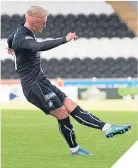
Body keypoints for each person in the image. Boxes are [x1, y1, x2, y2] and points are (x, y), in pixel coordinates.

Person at [7, 5, 131, 156]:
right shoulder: (22, 37)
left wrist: (9, 47)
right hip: (33, 86)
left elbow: (10, 38)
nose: (46, 25)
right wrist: (64, 39)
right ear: (34, 23)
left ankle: (107, 127)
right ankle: (75, 149)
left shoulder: (21, 31)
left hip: (42, 80)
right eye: (43, 22)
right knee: (63, 113)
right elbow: (38, 46)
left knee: (71, 105)